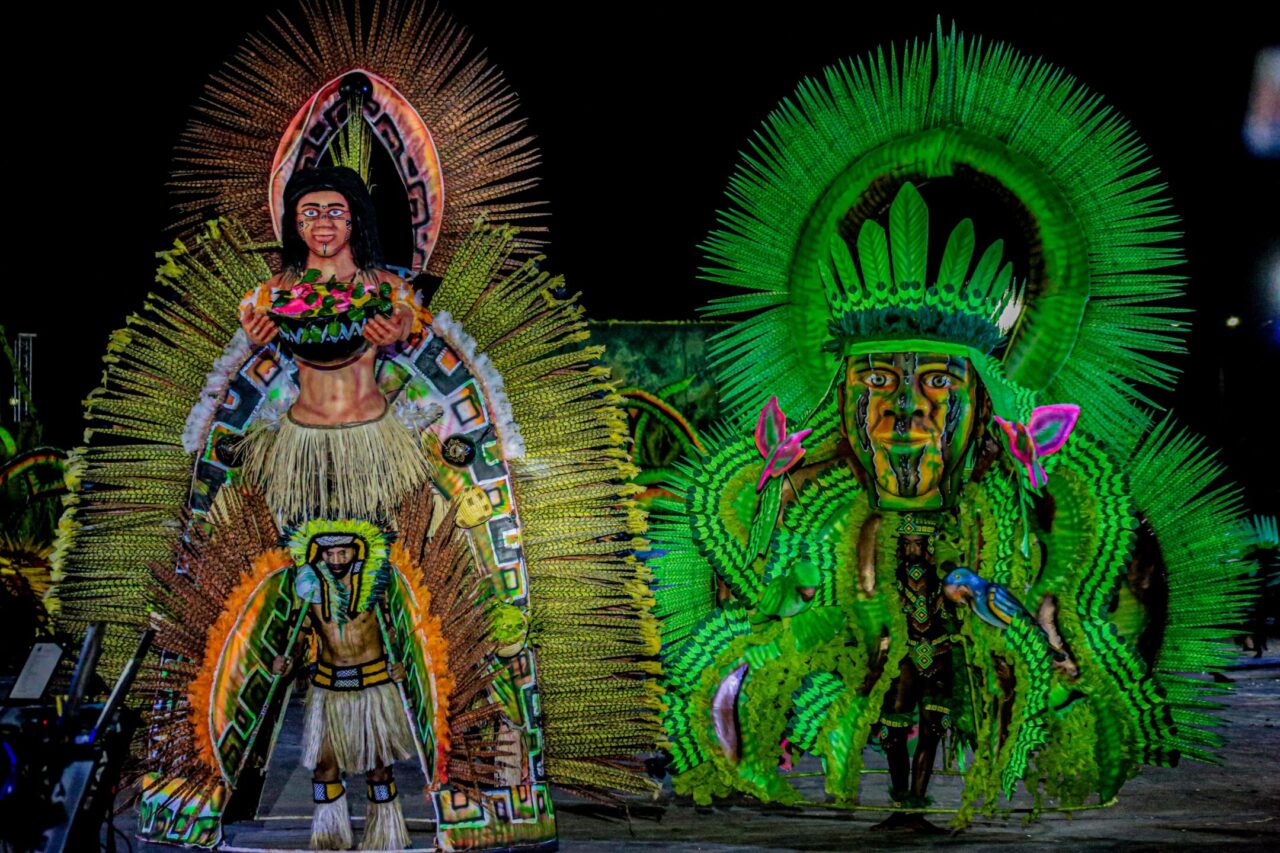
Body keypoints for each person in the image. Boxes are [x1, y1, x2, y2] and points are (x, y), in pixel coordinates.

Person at [272, 534, 414, 850]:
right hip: (328, 692)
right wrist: (287, 662)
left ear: (356, 550)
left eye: (342, 552)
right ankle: (329, 837)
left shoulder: (377, 586)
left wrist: (402, 665)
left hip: (374, 689)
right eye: (330, 554)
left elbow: (401, 632)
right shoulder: (309, 589)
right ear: (319, 554)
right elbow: (297, 639)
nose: (336, 561)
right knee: (325, 768)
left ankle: (384, 838)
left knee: (380, 770)